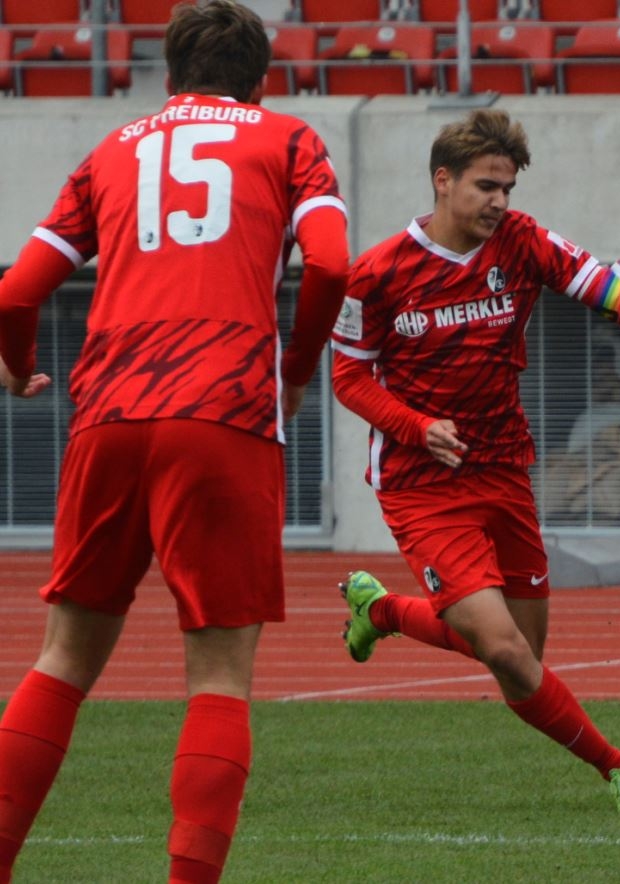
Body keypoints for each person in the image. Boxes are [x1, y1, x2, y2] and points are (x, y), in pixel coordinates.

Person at [0, 3, 349, 881]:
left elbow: (14, 292)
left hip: (111, 411)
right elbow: (333, 263)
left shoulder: (113, 150)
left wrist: (16, 366)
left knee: (63, 660)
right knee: (220, 676)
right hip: (224, 411)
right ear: (260, 78)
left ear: (169, 75)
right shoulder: (288, 138)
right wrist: (298, 369)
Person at [331, 108, 620, 814]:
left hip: (502, 471)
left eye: (508, 188)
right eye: (486, 186)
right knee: (503, 654)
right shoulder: (377, 274)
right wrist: (414, 425)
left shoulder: (524, 244)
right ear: (442, 180)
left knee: (522, 654)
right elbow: (348, 379)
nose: (500, 201)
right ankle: (616, 767)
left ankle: (387, 612)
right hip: (421, 484)